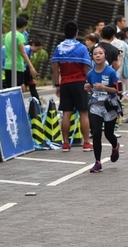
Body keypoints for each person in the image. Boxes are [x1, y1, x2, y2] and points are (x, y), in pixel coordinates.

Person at [51, 21, 93, 152]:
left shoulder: (59, 48)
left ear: (64, 33)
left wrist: (57, 84)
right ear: (77, 32)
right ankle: (86, 143)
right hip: (80, 83)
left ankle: (65, 144)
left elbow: (55, 68)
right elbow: (86, 67)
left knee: (66, 113)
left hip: (65, 83)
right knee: (84, 113)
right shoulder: (81, 48)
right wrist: (90, 82)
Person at [85, 45, 121, 173]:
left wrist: (104, 88)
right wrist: (88, 88)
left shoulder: (111, 72)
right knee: (96, 133)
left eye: (100, 53)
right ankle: (97, 162)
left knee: (108, 133)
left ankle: (115, 146)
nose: (98, 56)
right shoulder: (90, 73)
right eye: (95, 54)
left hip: (109, 105)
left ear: (105, 55)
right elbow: (91, 89)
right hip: (96, 105)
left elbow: (118, 90)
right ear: (92, 57)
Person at [3, 15, 38, 89]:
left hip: (8, 66)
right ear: (24, 26)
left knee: (10, 89)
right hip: (18, 66)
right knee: (21, 87)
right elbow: (23, 52)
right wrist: (31, 67)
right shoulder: (20, 36)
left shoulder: (8, 35)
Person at [22, 39, 44, 104]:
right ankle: (38, 103)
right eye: (37, 49)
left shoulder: (29, 51)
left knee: (32, 85)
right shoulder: (26, 50)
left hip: (25, 70)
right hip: (23, 70)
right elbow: (24, 63)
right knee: (30, 85)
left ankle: (38, 103)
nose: (37, 51)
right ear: (33, 45)